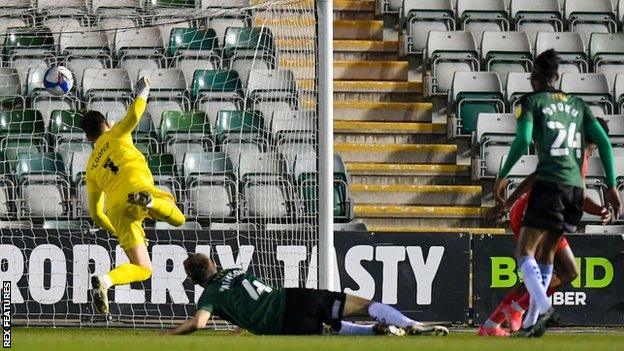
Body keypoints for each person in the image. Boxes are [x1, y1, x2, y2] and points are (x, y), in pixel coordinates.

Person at [492, 49, 620, 337]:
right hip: (575, 189)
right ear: (557, 76)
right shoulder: (577, 104)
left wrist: (502, 176)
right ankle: (530, 322)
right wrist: (611, 185)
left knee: (525, 251)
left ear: (534, 76)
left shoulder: (531, 102)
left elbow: (524, 139)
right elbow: (604, 142)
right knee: (547, 255)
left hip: (550, 184)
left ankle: (543, 306)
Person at [478, 118, 612, 337]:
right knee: (551, 272)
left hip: (549, 216)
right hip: (532, 214)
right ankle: (507, 316)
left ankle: (498, 321)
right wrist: (599, 210)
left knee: (567, 272)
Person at [82, 76, 186, 315]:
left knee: (142, 267)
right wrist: (143, 92)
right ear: (106, 124)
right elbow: (133, 116)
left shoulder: (89, 169)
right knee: (178, 218)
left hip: (116, 209)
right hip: (137, 185)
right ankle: (151, 202)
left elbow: (96, 214)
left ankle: (106, 281)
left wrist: (116, 230)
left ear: (88, 138)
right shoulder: (116, 134)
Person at [164, 253, 449, 336]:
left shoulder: (209, 297)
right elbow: (250, 299)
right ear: (214, 264)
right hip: (290, 297)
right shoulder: (235, 271)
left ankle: (377, 333)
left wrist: (169, 335)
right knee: (364, 304)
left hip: (279, 324)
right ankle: (411, 324)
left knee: (330, 330)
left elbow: (199, 323)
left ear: (194, 280)